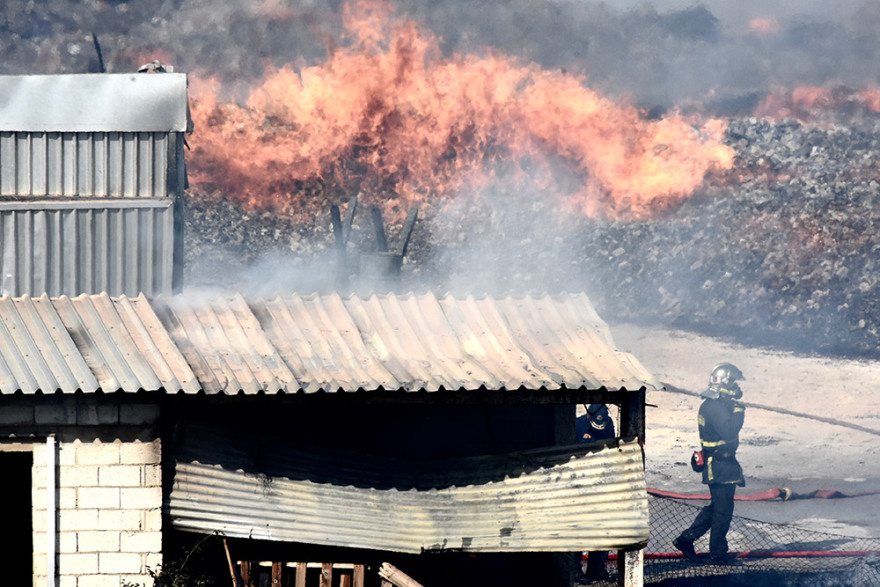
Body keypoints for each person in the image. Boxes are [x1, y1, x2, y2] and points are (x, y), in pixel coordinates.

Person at [673, 363, 746, 565]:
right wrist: (739, 411)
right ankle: (718, 554)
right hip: (719, 465)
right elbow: (729, 431)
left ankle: (686, 539)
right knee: (723, 511)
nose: (735, 387)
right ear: (723, 383)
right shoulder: (714, 407)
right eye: (732, 382)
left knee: (718, 507)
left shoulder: (714, 405)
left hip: (724, 464)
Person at [576, 405, 616, 581]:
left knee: (602, 527)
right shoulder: (577, 426)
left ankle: (597, 569)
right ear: (587, 416)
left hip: (600, 484)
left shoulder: (608, 425)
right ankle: (574, 569)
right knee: (577, 529)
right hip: (579, 485)